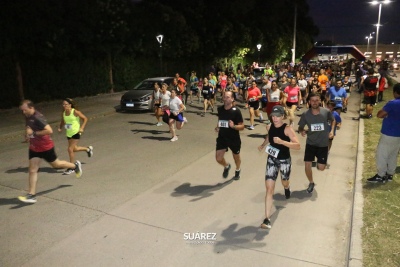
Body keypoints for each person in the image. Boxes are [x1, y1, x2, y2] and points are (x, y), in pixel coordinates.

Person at [18, 100, 83, 204]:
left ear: (31, 108)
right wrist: (27, 135)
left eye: (24, 110)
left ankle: (74, 166)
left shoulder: (37, 117)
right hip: (34, 148)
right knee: (33, 170)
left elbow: (49, 130)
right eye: (22, 110)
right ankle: (31, 195)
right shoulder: (28, 116)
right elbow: (28, 126)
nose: (23, 112)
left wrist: (33, 134)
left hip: (45, 147)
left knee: (56, 164)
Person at [258, 105, 300, 229]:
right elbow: (268, 137)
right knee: (269, 189)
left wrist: (282, 142)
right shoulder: (270, 126)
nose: (275, 119)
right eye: (273, 116)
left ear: (283, 116)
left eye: (277, 116)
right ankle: (267, 219)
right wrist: (262, 145)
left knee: (284, 181)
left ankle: (287, 188)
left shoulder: (287, 129)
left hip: (284, 161)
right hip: (272, 160)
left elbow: (297, 145)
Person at [298, 92, 335, 193]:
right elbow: (300, 127)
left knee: (321, 168)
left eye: (316, 100)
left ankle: (320, 162)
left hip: (323, 144)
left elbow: (333, 120)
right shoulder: (306, 114)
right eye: (312, 100)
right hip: (310, 143)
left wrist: (331, 131)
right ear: (309, 102)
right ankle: (311, 182)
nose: (314, 102)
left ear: (320, 101)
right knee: (307, 164)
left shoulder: (326, 112)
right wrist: (302, 131)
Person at [367, 83, 400, 183]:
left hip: (389, 132)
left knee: (382, 154)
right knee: (393, 154)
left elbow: (379, 114)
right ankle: (390, 174)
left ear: (395, 92)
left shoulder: (393, 103)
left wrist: (388, 115)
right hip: (398, 134)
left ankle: (381, 175)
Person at [58, 98, 93, 175]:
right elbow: (63, 121)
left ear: (70, 105)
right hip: (69, 133)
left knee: (70, 149)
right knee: (75, 148)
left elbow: (85, 119)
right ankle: (87, 149)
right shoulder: (64, 113)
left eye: (66, 104)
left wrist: (81, 128)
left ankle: (72, 167)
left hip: (76, 132)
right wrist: (60, 127)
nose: (64, 106)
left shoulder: (75, 112)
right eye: (63, 104)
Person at [215, 91, 244, 180]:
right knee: (218, 158)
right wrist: (218, 127)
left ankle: (238, 169)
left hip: (233, 138)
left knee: (236, 157)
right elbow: (220, 120)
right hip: (222, 137)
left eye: (228, 97)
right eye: (224, 97)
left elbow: (242, 126)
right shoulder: (220, 109)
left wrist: (234, 126)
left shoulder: (236, 111)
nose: (225, 98)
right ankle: (227, 166)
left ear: (232, 99)